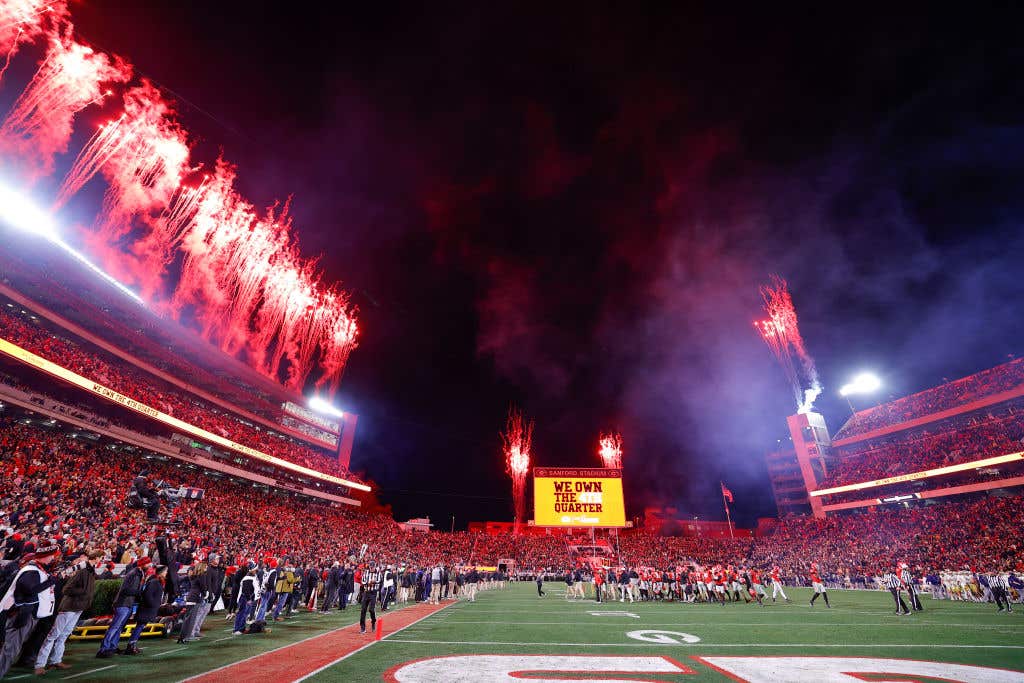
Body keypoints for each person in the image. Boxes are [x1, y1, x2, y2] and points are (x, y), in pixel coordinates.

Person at [34, 550, 102, 674]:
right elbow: (66, 589)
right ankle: (40, 664)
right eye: (100, 558)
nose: (101, 561)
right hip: (69, 607)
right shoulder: (83, 571)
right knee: (53, 635)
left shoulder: (91, 571)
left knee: (64, 635)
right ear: (96, 558)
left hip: (78, 607)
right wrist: (83, 592)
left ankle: (56, 660)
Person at [0, 544, 60, 678]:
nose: (52, 559)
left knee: (11, 648)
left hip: (25, 613)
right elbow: (29, 590)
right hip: (21, 614)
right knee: (10, 649)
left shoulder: (35, 569)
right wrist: (50, 582)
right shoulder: (31, 570)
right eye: (52, 556)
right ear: (46, 556)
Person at [96, 556, 150, 658]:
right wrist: (141, 592)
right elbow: (126, 590)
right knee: (115, 627)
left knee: (119, 627)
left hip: (127, 604)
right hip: (123, 604)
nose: (149, 566)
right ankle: (103, 649)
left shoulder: (137, 573)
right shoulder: (134, 574)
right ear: (143, 564)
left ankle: (112, 647)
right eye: (148, 564)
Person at [124, 565, 167, 654]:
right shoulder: (154, 581)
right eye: (165, 571)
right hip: (147, 609)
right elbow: (147, 595)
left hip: (148, 608)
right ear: (162, 572)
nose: (166, 573)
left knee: (140, 627)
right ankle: (131, 646)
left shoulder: (156, 581)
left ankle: (132, 646)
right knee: (139, 627)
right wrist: (153, 605)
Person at [233, 562, 260, 635]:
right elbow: (246, 590)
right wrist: (248, 599)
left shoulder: (251, 576)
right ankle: (238, 629)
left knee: (244, 613)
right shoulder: (248, 578)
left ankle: (240, 628)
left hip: (247, 597)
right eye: (255, 569)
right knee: (242, 613)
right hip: (245, 598)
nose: (256, 570)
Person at [359, 561, 382, 635]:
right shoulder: (366, 572)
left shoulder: (378, 573)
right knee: (363, 610)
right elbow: (362, 581)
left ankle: (373, 622)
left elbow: (379, 580)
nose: (371, 568)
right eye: (370, 567)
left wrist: (374, 582)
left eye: (372, 567)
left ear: (375, 566)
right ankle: (362, 627)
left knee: (371, 610)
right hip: (366, 592)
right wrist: (367, 583)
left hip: (373, 593)